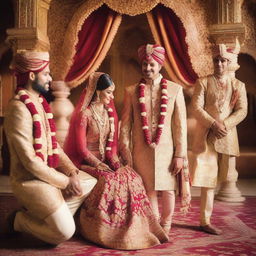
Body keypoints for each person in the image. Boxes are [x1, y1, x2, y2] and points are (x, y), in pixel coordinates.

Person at [64, 72, 168, 250]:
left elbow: (112, 148)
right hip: (87, 163)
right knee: (111, 181)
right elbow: (81, 150)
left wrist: (116, 163)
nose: (112, 97)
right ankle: (107, 230)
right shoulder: (85, 115)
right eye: (109, 92)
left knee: (132, 177)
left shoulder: (110, 115)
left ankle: (137, 228)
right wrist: (98, 164)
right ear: (97, 92)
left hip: (105, 162)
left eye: (113, 92)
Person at [3, 51, 97, 245]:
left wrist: (71, 172)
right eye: (45, 74)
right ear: (31, 75)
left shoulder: (39, 102)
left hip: (49, 176)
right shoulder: (19, 108)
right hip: (31, 181)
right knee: (64, 233)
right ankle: (19, 220)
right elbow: (30, 161)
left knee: (90, 182)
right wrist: (65, 182)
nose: (50, 79)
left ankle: (50, 216)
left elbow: (54, 147)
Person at [119, 44, 191, 235]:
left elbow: (180, 126)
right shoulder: (131, 91)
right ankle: (154, 223)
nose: (147, 68)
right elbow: (125, 124)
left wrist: (180, 155)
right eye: (144, 64)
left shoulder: (175, 90)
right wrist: (125, 151)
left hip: (167, 150)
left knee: (168, 189)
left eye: (151, 64)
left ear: (160, 65)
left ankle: (166, 223)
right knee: (147, 188)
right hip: (141, 150)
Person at [189, 43, 248, 235]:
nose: (220, 64)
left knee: (224, 178)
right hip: (207, 136)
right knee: (207, 180)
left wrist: (226, 124)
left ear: (229, 63)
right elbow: (196, 108)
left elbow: (242, 110)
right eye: (217, 60)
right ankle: (204, 221)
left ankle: (210, 217)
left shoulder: (239, 85)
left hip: (227, 137)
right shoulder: (203, 82)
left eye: (223, 61)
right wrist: (213, 124)